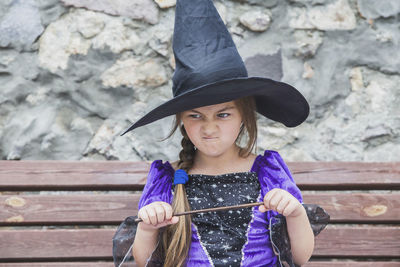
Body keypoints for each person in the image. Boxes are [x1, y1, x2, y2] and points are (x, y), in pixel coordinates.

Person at [112, 0, 328, 266]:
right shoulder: (168, 180)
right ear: (181, 120)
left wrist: (294, 213)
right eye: (195, 116)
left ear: (244, 116)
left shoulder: (267, 172)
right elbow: (146, 261)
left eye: (223, 115)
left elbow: (300, 257)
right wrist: (148, 227)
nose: (209, 128)